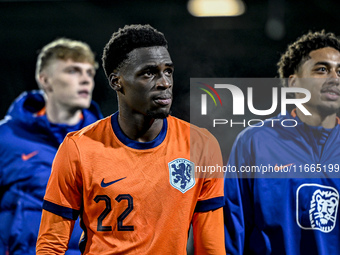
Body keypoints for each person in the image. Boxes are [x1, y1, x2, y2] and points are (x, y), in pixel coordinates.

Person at [36, 24, 226, 255]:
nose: (164, 83)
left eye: (168, 71)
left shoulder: (201, 146)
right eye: (149, 73)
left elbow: (211, 246)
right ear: (117, 82)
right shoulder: (79, 148)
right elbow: (51, 245)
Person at [224, 30, 340, 254]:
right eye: (322, 69)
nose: (334, 78)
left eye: (339, 71)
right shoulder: (255, 142)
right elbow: (231, 230)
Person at [0, 38, 103, 255]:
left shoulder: (106, 143)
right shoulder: (6, 138)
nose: (85, 80)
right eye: (73, 71)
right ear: (45, 80)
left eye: (89, 73)